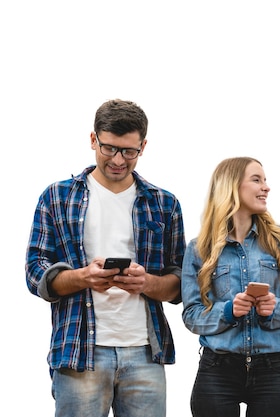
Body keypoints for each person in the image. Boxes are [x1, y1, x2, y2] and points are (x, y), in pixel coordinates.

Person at [25, 99, 187, 417]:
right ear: (92, 140)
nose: (118, 160)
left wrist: (147, 283)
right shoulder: (57, 197)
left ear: (143, 146)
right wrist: (82, 277)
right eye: (109, 148)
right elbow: (34, 270)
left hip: (145, 352)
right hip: (78, 351)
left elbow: (182, 282)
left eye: (129, 151)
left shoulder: (164, 204)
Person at [181, 157, 280, 417]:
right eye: (257, 180)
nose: (266, 187)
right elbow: (191, 315)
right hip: (217, 370)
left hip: (273, 370)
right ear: (232, 187)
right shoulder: (198, 247)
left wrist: (274, 307)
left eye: (265, 180)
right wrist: (228, 311)